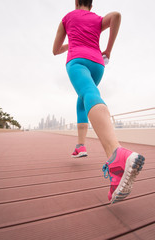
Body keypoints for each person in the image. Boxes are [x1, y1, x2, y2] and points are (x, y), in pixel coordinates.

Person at [53, 0, 145, 204]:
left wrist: (73, 41)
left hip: (77, 60)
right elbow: (116, 16)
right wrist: (108, 49)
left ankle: (116, 155)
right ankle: (80, 146)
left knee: (87, 92)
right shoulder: (96, 19)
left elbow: (55, 50)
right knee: (83, 99)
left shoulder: (67, 18)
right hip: (97, 64)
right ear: (91, 5)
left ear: (76, 2)